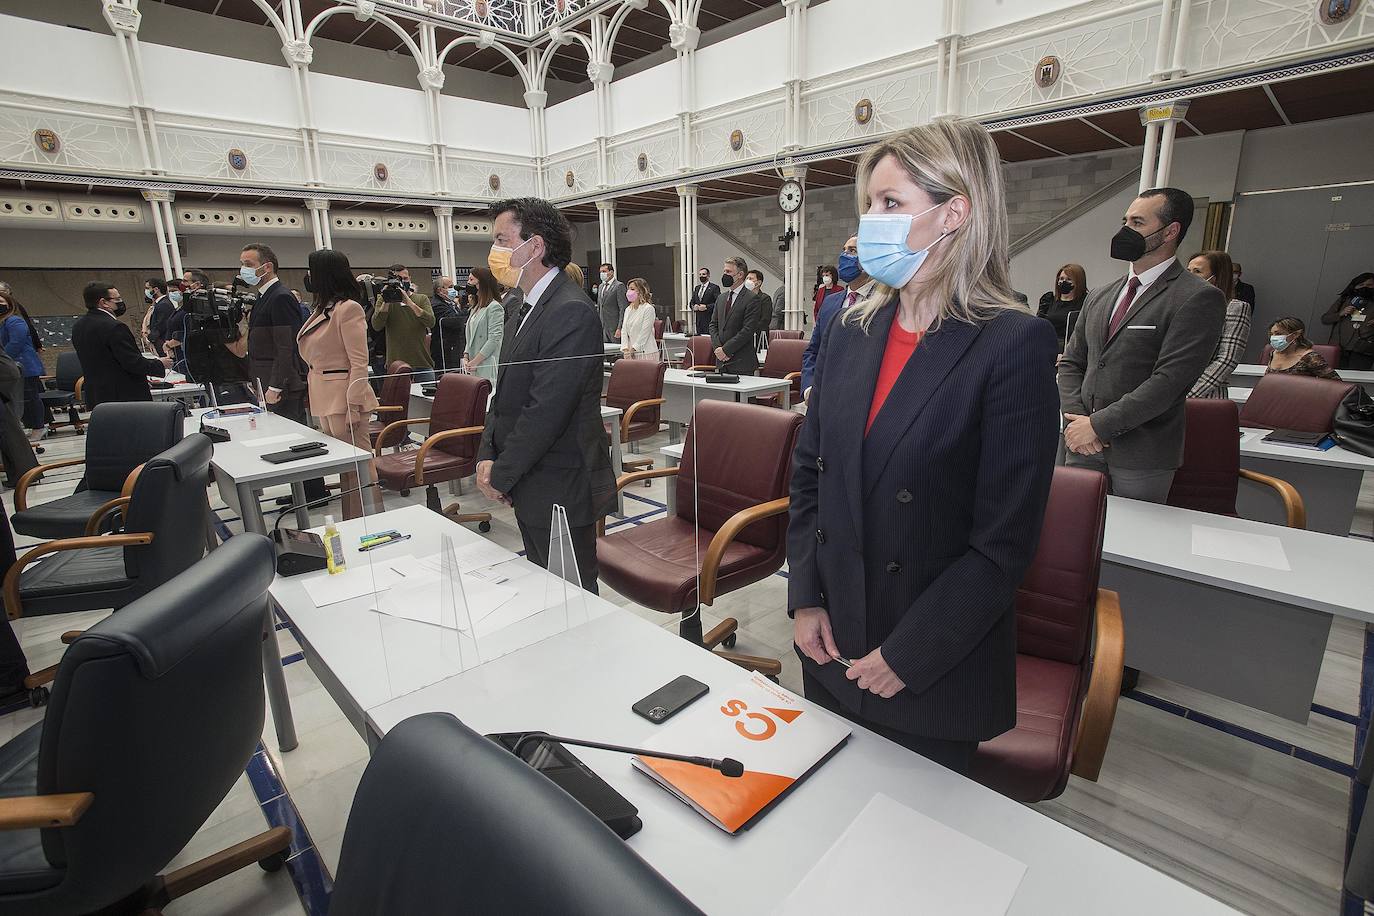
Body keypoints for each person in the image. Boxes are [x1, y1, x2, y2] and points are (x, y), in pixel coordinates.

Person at [790, 120, 1058, 773]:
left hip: (928, 666)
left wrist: (909, 655)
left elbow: (1002, 545)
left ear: (954, 214)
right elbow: (809, 480)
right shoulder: (851, 329)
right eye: (870, 203)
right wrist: (805, 599)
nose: (870, 221)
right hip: (830, 647)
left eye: (891, 204)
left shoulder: (1012, 345)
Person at [476, 197, 614, 591]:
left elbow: (546, 411)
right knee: (544, 591)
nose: (496, 251)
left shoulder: (570, 310)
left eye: (502, 240)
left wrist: (500, 474)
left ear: (534, 246)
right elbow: (504, 397)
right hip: (529, 480)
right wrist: (487, 453)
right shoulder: (520, 306)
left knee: (571, 599)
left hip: (560, 484)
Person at [1058, 187, 1226, 503]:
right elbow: (1072, 362)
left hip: (1141, 456)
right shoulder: (1100, 295)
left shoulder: (1197, 297)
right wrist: (1076, 419)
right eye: (1126, 221)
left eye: (1137, 223)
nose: (1125, 231)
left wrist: (1098, 425)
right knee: (1074, 539)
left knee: (1129, 547)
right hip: (1081, 445)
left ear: (1170, 231)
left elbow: (1169, 383)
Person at [296, 249, 384, 520]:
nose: (308, 277)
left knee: (359, 463)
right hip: (323, 392)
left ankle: (373, 520)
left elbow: (359, 362)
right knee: (345, 467)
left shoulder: (348, 309)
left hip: (344, 395)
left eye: (312, 271)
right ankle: (355, 520)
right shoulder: (322, 309)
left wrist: (353, 405)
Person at [71, 282, 170, 407]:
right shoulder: (115, 327)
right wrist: (160, 364)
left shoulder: (79, 326)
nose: (121, 302)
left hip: (97, 394)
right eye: (117, 299)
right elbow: (131, 361)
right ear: (104, 302)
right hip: (123, 395)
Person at [802, 235, 875, 399]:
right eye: (844, 250)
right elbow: (813, 350)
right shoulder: (830, 302)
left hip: (863, 398)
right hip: (824, 396)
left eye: (852, 251)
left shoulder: (886, 303)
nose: (844, 256)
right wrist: (809, 387)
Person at [1186, 250, 1252, 400]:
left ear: (1216, 278)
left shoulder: (1234, 308)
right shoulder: (1181, 305)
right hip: (1168, 391)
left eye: (1197, 271)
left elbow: (1227, 359)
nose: (1189, 276)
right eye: (1188, 270)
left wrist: (1188, 395)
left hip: (1204, 395)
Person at [370, 264, 435, 381]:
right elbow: (377, 325)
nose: (402, 282)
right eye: (398, 279)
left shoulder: (421, 298)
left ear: (410, 278)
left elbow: (431, 322)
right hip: (396, 364)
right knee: (398, 399)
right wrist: (387, 299)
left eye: (405, 279)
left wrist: (409, 302)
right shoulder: (382, 300)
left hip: (421, 362)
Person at [709, 256, 766, 375]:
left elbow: (748, 330)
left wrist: (726, 350)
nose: (725, 274)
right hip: (721, 362)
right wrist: (718, 349)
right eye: (724, 271)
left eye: (728, 272)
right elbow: (713, 325)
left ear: (740, 275)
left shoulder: (752, 299)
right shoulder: (721, 298)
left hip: (742, 362)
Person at [0, 292, 47, 435]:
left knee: (30, 398)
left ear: (9, 304)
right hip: (9, 368)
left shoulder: (15, 321)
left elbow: (16, 343)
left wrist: (3, 360)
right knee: (17, 399)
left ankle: (39, 427)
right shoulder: (2, 322)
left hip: (25, 366)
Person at [1321, 272, 1374, 370]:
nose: (1365, 287)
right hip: (1339, 347)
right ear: (1354, 286)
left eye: (1369, 285)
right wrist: (1340, 314)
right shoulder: (1344, 300)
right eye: (1361, 285)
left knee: (1356, 378)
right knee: (1334, 376)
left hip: (1364, 349)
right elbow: (1325, 318)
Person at [463, 267, 505, 386]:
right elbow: (470, 337)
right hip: (472, 365)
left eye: (471, 279)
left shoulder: (494, 307)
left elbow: (494, 339)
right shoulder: (475, 308)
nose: (468, 283)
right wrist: (466, 356)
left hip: (486, 363)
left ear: (481, 282)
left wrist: (476, 361)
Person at [1266, 317, 1342, 379]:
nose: (1273, 337)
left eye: (1278, 334)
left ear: (1295, 335)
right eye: (1271, 334)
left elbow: (1335, 383)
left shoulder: (1309, 357)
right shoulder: (1273, 353)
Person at [1036, 263, 1087, 351]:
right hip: (1047, 346)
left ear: (1078, 282)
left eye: (1069, 279)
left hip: (1071, 349)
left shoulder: (1085, 302)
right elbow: (1039, 325)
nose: (1063, 282)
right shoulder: (1048, 300)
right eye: (1061, 279)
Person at [430, 275, 466, 373]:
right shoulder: (437, 305)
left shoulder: (450, 303)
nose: (453, 290)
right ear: (439, 291)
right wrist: (467, 306)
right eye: (450, 287)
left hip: (455, 348)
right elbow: (456, 321)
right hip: (444, 351)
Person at [620, 278, 658, 360]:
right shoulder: (628, 309)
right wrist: (625, 349)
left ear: (641, 291)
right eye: (628, 289)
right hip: (629, 353)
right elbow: (624, 331)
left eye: (632, 289)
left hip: (646, 352)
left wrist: (633, 349)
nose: (629, 292)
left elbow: (645, 332)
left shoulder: (648, 309)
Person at [143, 277, 176, 356]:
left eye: (148, 288)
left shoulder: (163, 304)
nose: (146, 291)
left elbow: (160, 326)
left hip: (163, 342)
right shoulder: (158, 304)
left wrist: (150, 337)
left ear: (156, 289)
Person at [597, 263, 629, 343]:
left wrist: (620, 327)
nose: (602, 274)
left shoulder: (619, 286)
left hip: (614, 327)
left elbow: (623, 308)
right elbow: (600, 307)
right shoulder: (601, 287)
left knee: (616, 352)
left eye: (604, 271)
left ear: (611, 272)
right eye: (600, 272)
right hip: (603, 327)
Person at [746, 270, 773, 350]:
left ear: (759, 282)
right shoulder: (743, 298)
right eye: (747, 278)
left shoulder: (764, 298)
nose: (747, 281)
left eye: (750, 278)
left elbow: (765, 320)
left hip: (758, 337)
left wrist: (749, 329)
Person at [689, 267, 720, 335]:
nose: (701, 276)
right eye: (700, 274)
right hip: (699, 321)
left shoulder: (714, 288)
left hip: (709, 320)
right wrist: (694, 306)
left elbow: (718, 303)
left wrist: (706, 307)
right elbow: (692, 302)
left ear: (708, 276)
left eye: (703, 274)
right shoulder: (697, 288)